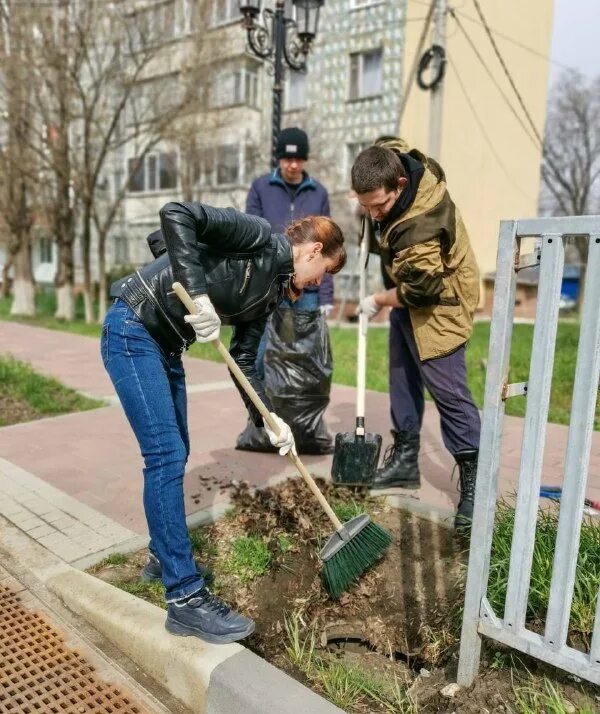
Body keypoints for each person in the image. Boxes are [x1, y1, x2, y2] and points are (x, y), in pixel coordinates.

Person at [102, 202, 346, 643]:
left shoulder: (271, 292)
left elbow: (246, 363)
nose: (319, 283)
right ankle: (185, 599)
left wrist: (270, 420)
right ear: (312, 250)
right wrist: (198, 296)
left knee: (176, 449)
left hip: (166, 345)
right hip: (132, 329)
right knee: (166, 455)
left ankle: (162, 557)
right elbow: (176, 215)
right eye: (324, 271)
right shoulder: (253, 235)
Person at [351, 137, 480, 531]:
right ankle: (405, 460)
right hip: (406, 296)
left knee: (449, 394)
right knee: (402, 378)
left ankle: (476, 479)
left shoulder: (419, 224)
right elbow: (390, 145)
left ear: (401, 187)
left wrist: (377, 298)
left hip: (439, 303)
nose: (373, 214)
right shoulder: (391, 162)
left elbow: (421, 290)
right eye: (365, 205)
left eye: (380, 206)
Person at [237, 126, 336, 454]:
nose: (292, 164)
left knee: (305, 357)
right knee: (263, 354)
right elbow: (252, 233)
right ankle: (261, 423)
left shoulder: (318, 192)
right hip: (270, 285)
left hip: (307, 289)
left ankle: (302, 424)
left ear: (304, 159)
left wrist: (324, 295)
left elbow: (327, 248)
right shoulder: (261, 188)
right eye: (286, 158)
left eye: (298, 158)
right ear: (279, 158)